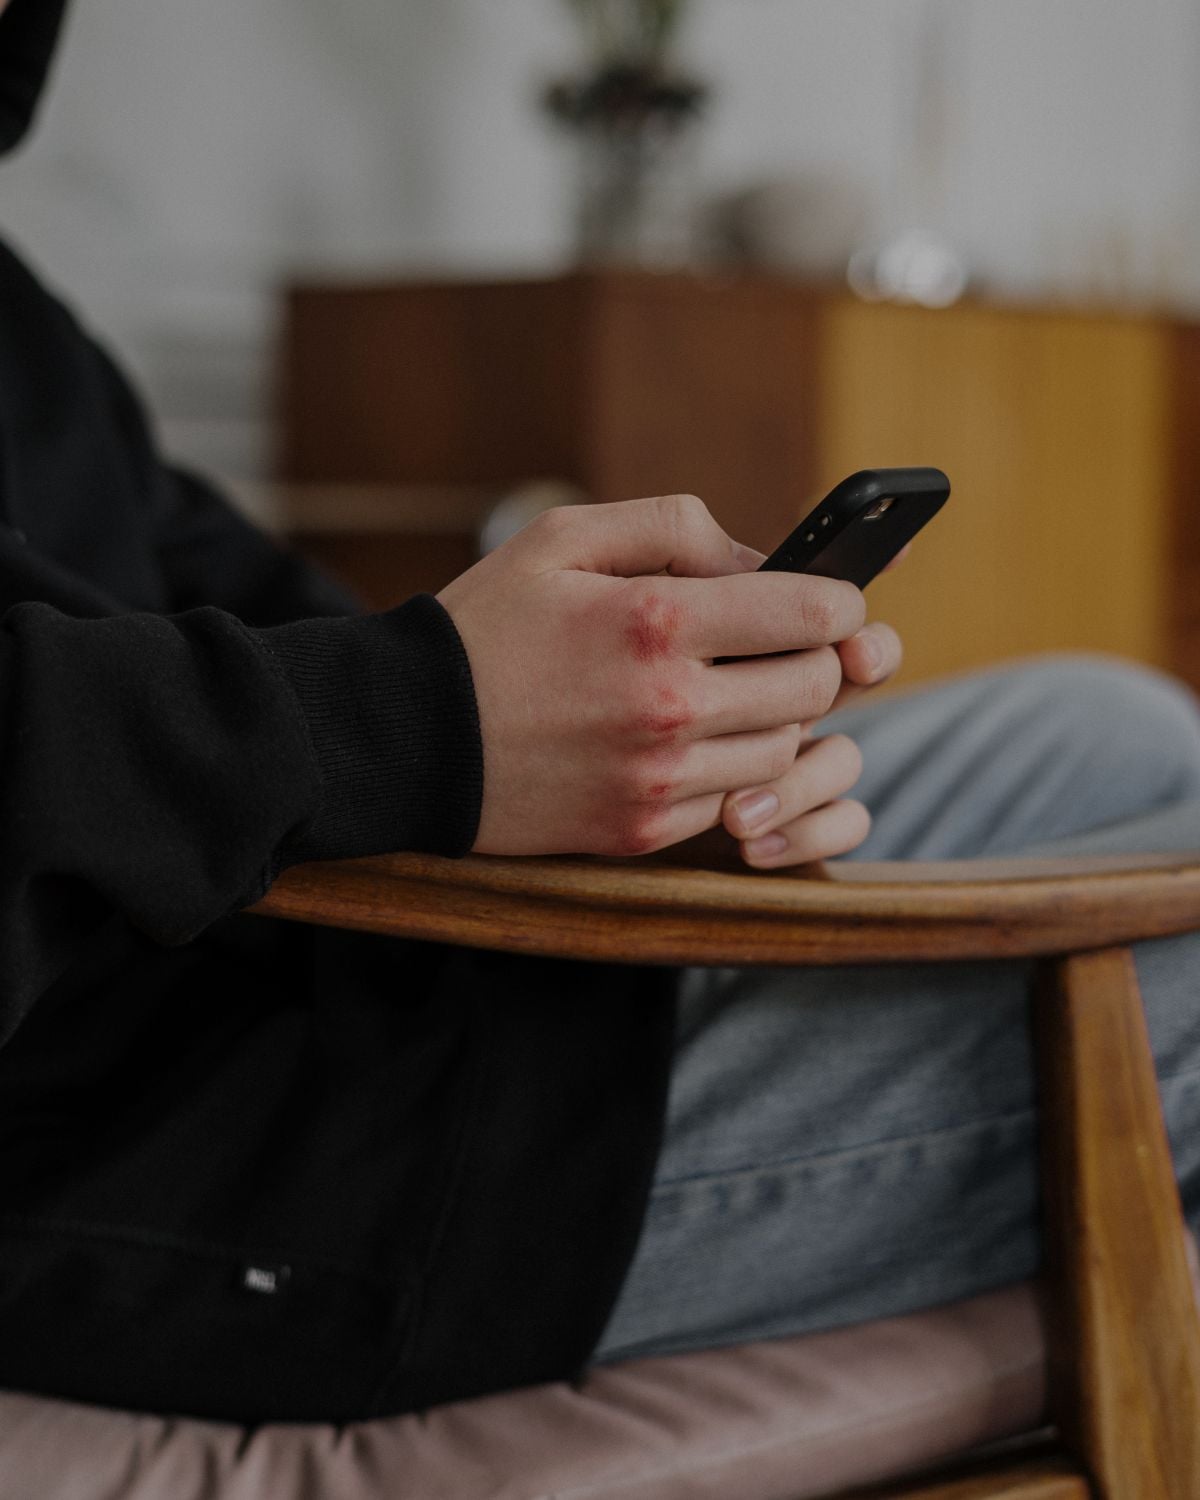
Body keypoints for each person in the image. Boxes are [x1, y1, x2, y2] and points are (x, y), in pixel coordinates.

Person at [0, 0, 1197, 1426]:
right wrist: (419, 722)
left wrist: (627, 749)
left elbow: (261, 628)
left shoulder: (24, 330)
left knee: (1109, 725)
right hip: (240, 1157)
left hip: (401, 971)